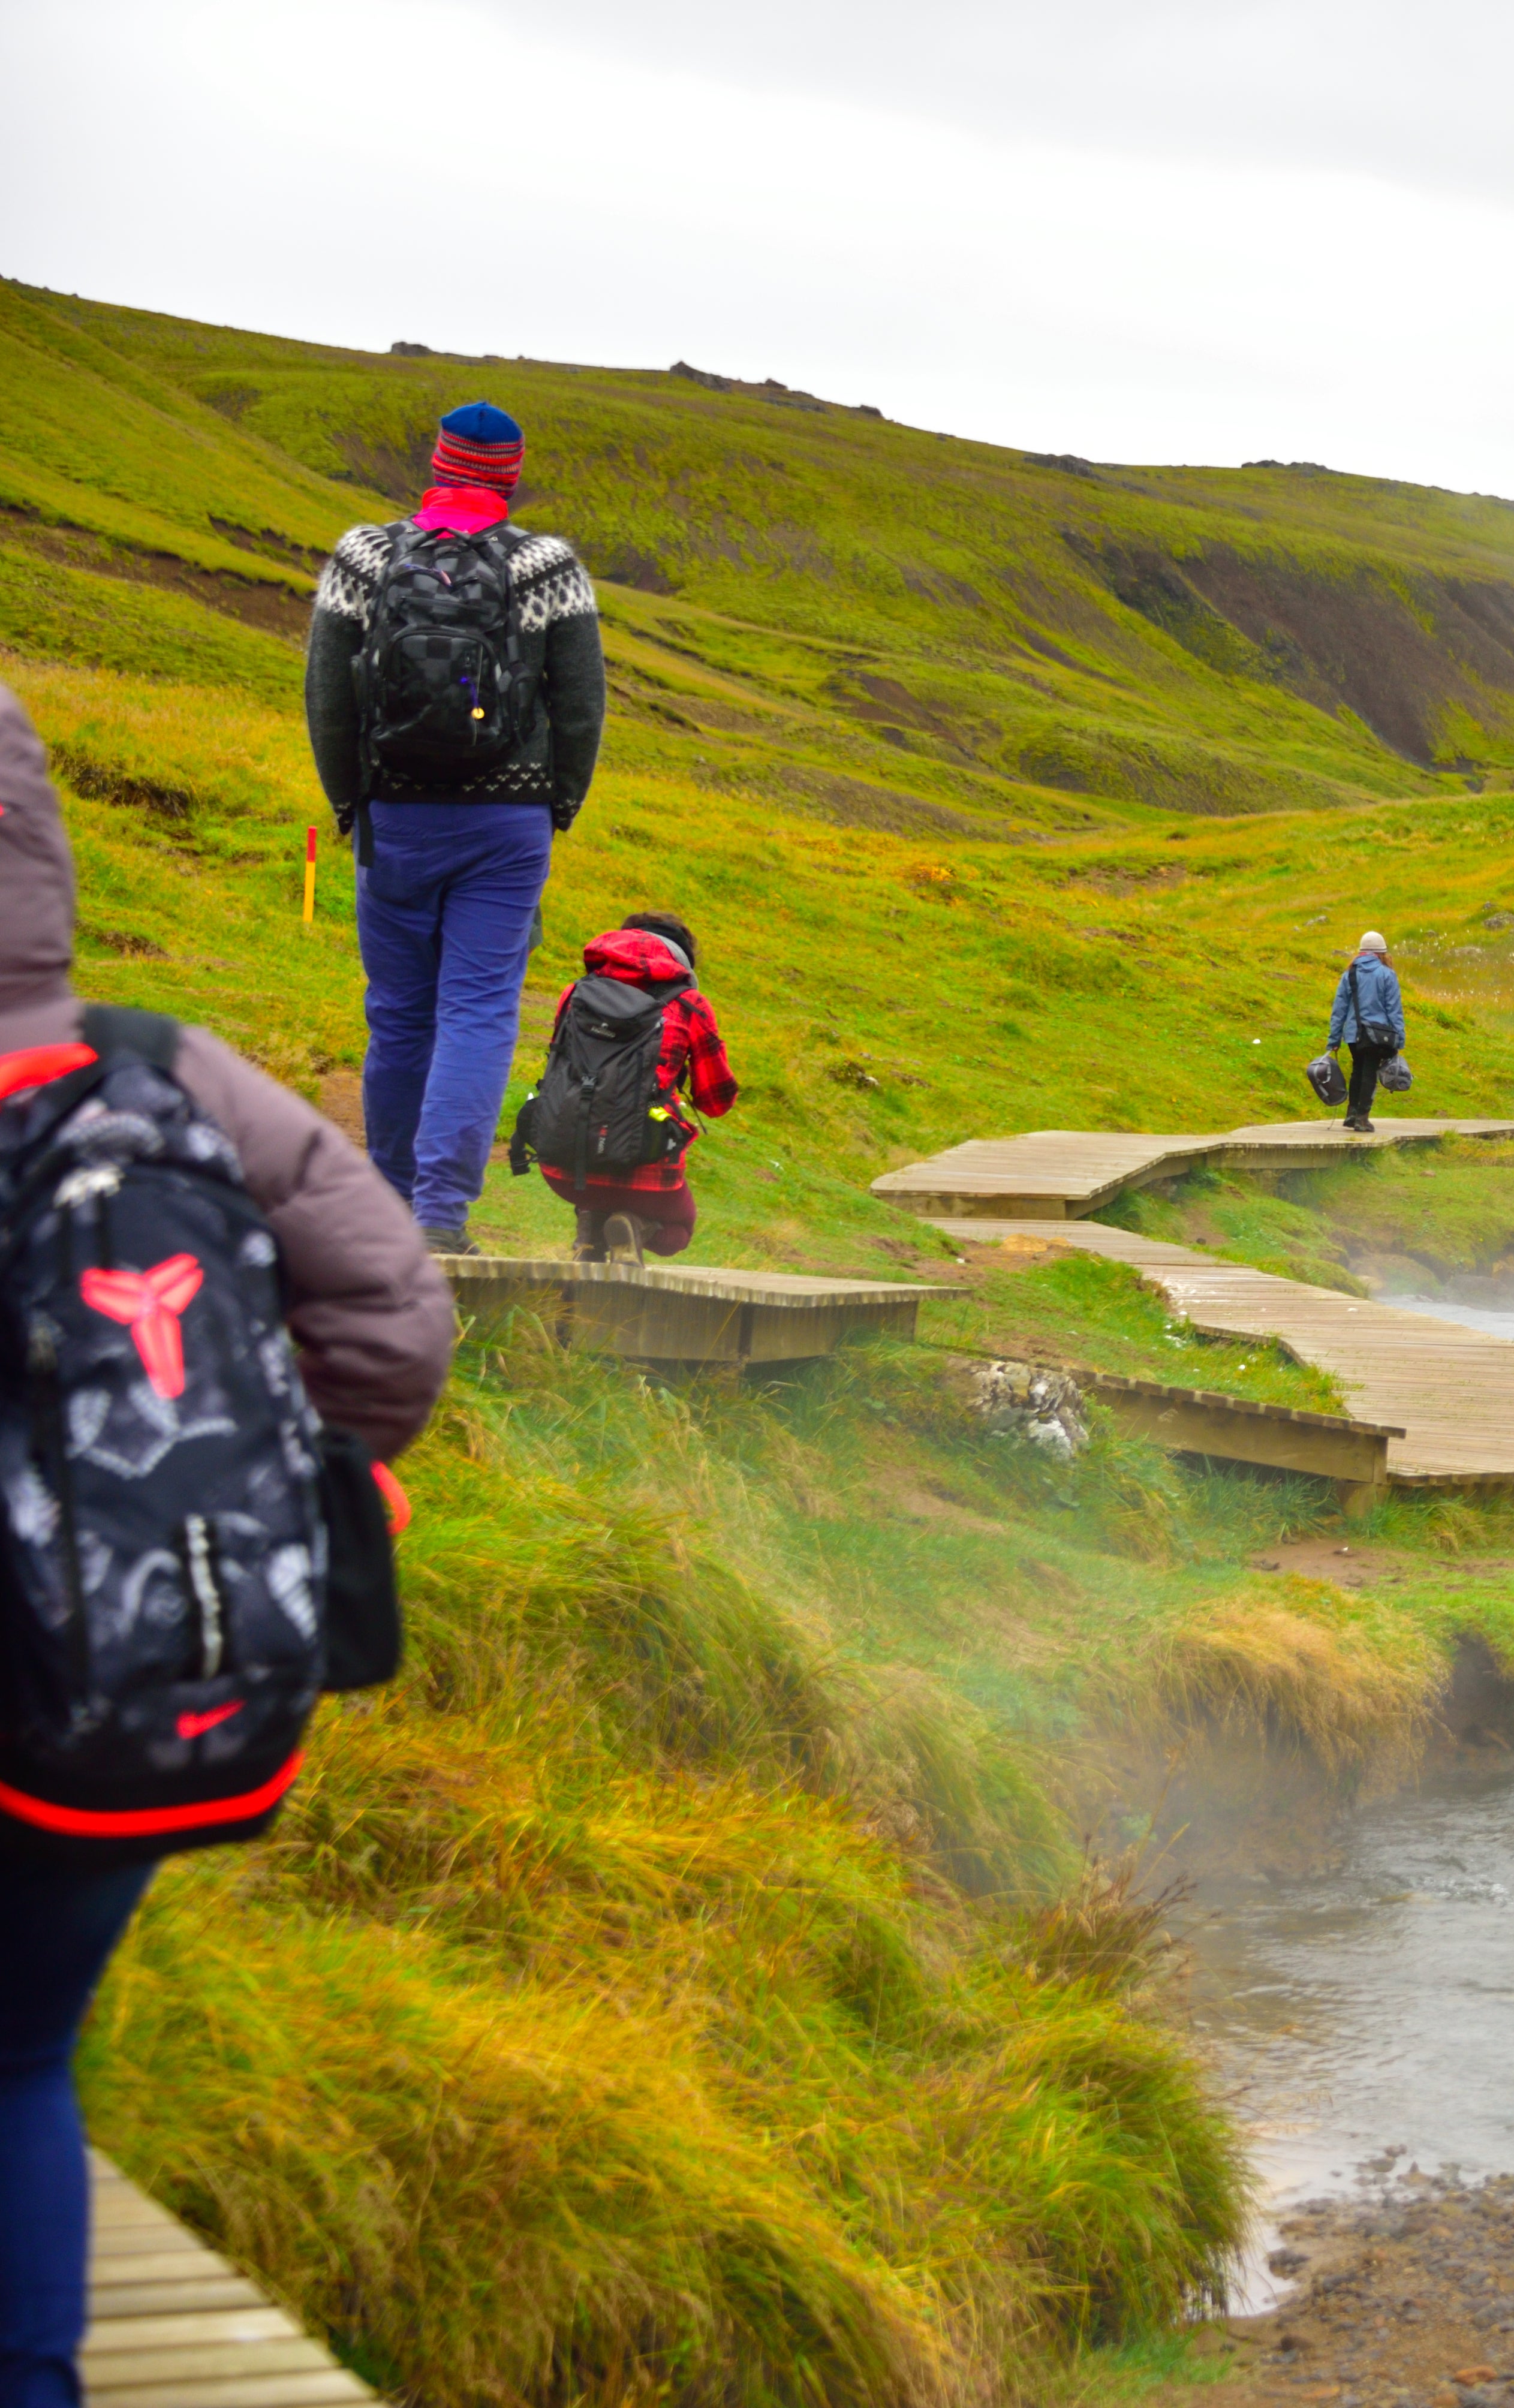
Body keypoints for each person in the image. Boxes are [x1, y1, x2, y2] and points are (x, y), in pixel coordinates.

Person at [0, 684, 454, 2408]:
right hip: (134, 1677)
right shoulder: (159, 1067)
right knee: (21, 2059)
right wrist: (301, 1482)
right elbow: (397, 1311)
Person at [303, 401, 607, 1256]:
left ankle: (387, 1211)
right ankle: (439, 1218)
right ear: (510, 472)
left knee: (398, 1016)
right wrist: (556, 808)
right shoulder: (550, 567)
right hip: (507, 824)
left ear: (437, 464)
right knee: (477, 1011)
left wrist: (351, 802)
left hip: (394, 815)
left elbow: (328, 697)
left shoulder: (365, 556)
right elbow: (580, 709)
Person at [519, 913, 738, 1260]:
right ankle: (637, 1227)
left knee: (596, 1197)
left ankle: (591, 1232)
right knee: (678, 1231)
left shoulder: (575, 993)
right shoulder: (689, 1003)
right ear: (682, 959)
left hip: (565, 1163)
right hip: (649, 1171)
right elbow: (715, 1102)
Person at [1325, 931, 1405, 1134]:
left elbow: (1339, 1009)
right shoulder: (1387, 975)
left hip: (1353, 1034)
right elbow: (1394, 1010)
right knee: (1369, 1071)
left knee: (1358, 1070)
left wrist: (1335, 1038)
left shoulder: (1349, 974)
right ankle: (1362, 1119)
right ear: (1381, 954)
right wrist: (1400, 1039)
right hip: (1378, 1035)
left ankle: (1352, 1114)